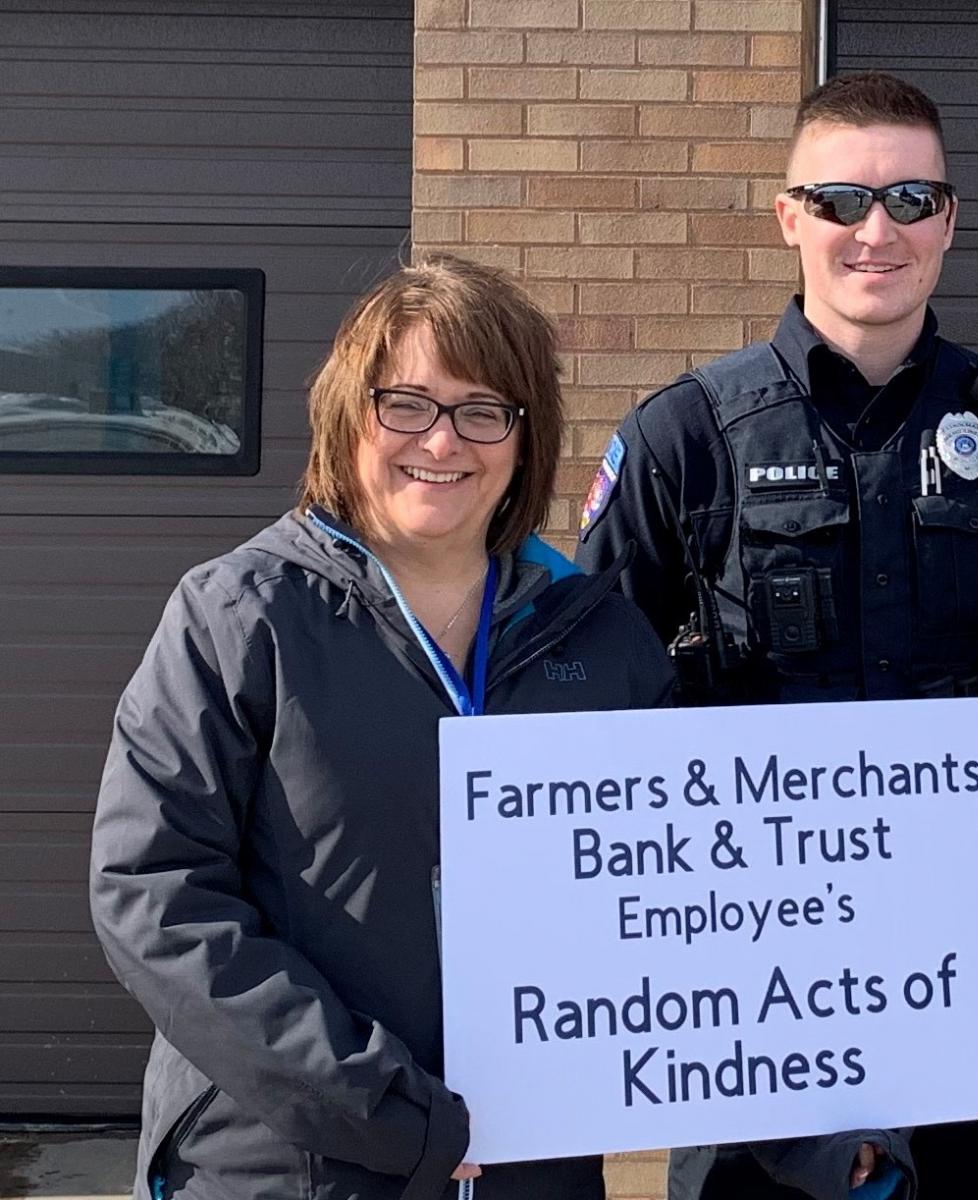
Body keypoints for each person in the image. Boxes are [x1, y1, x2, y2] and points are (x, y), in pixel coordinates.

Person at [574, 71, 978, 1200]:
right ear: (788, 218)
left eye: (912, 200)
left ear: (950, 220)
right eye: (841, 201)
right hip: (751, 973)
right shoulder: (684, 439)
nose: (878, 230)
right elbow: (585, 721)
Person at [90, 255, 674, 1200]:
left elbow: (689, 907)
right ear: (347, 416)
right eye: (406, 403)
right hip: (291, 1164)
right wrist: (384, 1108)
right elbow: (154, 896)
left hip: (535, 1165)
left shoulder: (604, 641)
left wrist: (815, 1123)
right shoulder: (240, 617)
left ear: (525, 440)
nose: (443, 442)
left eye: (485, 410)